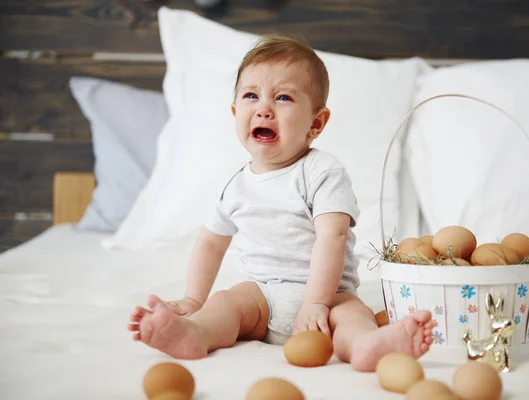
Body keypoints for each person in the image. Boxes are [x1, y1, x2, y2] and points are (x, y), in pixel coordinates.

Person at [128, 34, 433, 372]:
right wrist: (193, 300)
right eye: (250, 96)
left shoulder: (322, 172)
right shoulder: (235, 186)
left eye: (283, 97)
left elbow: (333, 236)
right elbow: (211, 244)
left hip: (327, 297)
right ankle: (195, 332)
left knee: (352, 315)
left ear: (316, 123)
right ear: (235, 113)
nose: (263, 108)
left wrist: (316, 303)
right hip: (262, 297)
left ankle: (366, 346)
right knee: (227, 302)